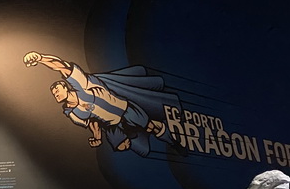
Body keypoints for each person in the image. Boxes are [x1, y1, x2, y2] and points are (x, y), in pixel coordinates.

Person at [22, 51, 177, 156]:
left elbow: (60, 65)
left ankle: (171, 140)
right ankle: (132, 135)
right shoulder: (72, 113)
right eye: (53, 92)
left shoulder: (82, 85)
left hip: (124, 110)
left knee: (150, 126)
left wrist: (40, 58)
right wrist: (97, 137)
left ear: (65, 86)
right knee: (122, 146)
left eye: (56, 89)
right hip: (111, 125)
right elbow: (91, 122)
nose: (55, 93)